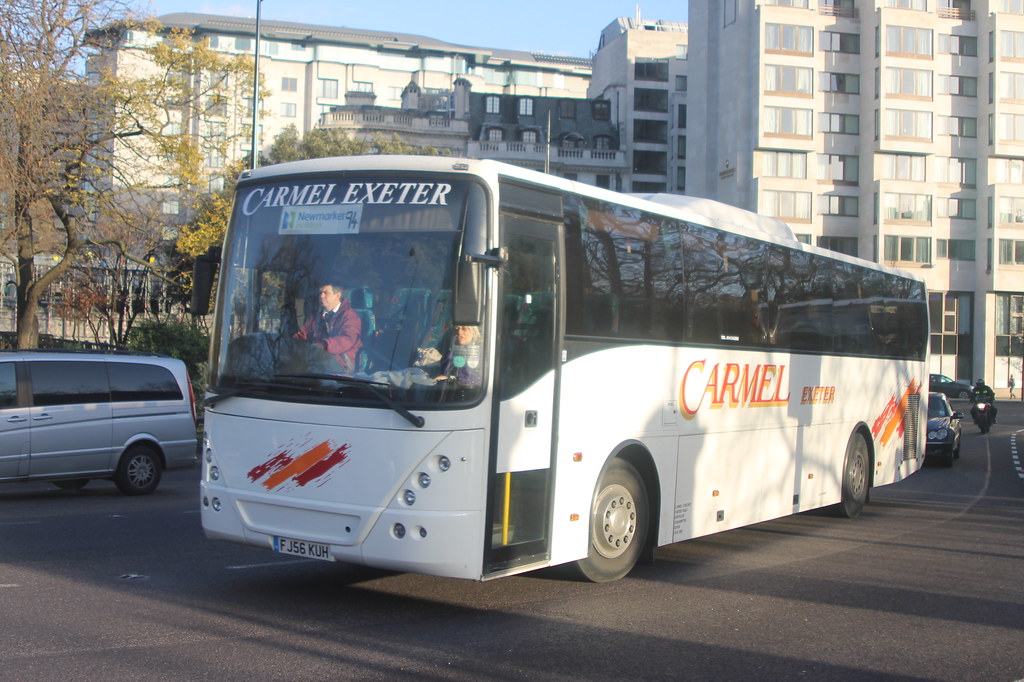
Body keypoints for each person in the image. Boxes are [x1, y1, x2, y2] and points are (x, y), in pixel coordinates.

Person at [293, 282, 362, 371]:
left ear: (337, 296)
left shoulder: (350, 316)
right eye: (320, 293)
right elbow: (303, 334)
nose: (321, 296)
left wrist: (324, 345)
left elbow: (347, 339)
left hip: (343, 364)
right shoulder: (316, 316)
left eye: (326, 293)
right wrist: (292, 344)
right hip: (318, 360)